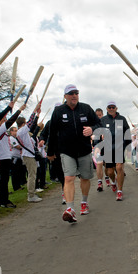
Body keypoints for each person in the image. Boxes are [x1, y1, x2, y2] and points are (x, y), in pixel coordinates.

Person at [47, 84, 101, 223]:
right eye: (71, 93)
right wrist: (50, 152)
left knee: (85, 178)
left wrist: (92, 129)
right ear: (65, 96)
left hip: (83, 150)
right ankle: (70, 209)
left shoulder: (86, 108)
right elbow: (52, 132)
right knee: (69, 178)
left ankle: (84, 202)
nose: (74, 95)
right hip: (66, 151)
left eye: (76, 93)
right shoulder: (59, 111)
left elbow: (99, 124)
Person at [0, 102, 26, 208]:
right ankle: (2, 201)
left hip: (6, 157)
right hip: (1, 157)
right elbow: (11, 121)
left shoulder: (3, 133)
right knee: (4, 179)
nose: (5, 123)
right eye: (3, 121)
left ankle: (3, 199)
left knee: (5, 179)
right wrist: (19, 110)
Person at [98, 101, 130, 201]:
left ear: (116, 108)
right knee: (110, 171)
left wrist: (127, 145)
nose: (111, 109)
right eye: (109, 107)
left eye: (113, 107)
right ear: (107, 109)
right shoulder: (103, 120)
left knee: (119, 168)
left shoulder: (122, 119)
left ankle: (119, 191)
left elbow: (127, 133)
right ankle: (113, 182)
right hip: (107, 149)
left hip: (119, 147)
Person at [16, 103, 42, 203]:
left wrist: (37, 115)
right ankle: (31, 195)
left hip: (29, 155)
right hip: (28, 156)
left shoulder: (22, 132)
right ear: (23, 123)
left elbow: (33, 124)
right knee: (32, 175)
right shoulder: (21, 131)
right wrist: (35, 110)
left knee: (33, 174)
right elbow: (31, 122)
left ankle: (32, 193)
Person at [9, 127, 24, 191]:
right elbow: (18, 146)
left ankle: (19, 185)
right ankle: (16, 187)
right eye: (14, 131)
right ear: (11, 132)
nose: (16, 132)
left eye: (16, 131)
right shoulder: (11, 138)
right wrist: (23, 147)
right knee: (15, 173)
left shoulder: (16, 138)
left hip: (18, 157)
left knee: (19, 172)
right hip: (14, 158)